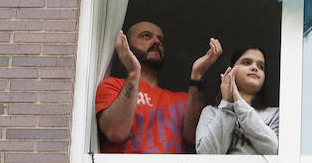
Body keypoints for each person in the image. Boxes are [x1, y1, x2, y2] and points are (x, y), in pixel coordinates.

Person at [94, 21, 221, 154]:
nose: (156, 41)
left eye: (160, 39)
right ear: (127, 46)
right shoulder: (112, 86)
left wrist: (197, 75)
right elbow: (116, 132)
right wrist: (133, 73)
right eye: (146, 36)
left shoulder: (183, 100)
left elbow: (194, 138)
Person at [196, 47, 280, 155]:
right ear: (230, 71)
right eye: (246, 62)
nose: (254, 67)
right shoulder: (211, 112)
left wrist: (239, 104)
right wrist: (227, 105)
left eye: (261, 66)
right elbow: (207, 155)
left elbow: (272, 150)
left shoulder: (274, 114)